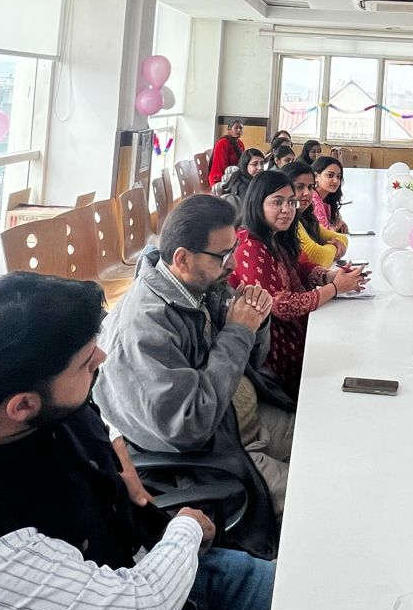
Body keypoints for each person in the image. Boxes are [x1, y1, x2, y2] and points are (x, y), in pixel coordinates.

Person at [0, 272, 275, 610]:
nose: (101, 359)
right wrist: (187, 528)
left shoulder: (5, 410)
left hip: (156, 567)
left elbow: (97, 422)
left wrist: (120, 461)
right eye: (85, 362)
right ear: (22, 405)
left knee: (305, 603)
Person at [95, 195, 297, 513]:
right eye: (222, 255)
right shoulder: (145, 330)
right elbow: (189, 426)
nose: (233, 264)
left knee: (328, 445)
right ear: (183, 258)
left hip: (242, 416)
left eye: (234, 249)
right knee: (316, 493)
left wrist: (256, 322)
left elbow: (249, 362)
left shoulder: (200, 285)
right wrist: (238, 331)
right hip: (214, 452)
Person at [229, 169, 367, 396]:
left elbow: (301, 267)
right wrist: (335, 289)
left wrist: (330, 276)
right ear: (257, 203)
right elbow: (282, 306)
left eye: (291, 202)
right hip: (275, 347)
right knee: (345, 359)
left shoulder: (277, 235)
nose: (287, 209)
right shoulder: (249, 247)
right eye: (277, 202)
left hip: (296, 329)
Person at [283, 159, 347, 268]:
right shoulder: (287, 218)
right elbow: (316, 257)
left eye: (310, 187)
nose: (307, 193)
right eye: (299, 187)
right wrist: (335, 247)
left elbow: (342, 238)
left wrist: (334, 244)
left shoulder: (304, 215)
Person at [310, 155, 349, 235]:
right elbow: (325, 233)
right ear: (316, 176)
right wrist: (337, 226)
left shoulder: (327, 198)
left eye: (338, 176)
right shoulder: (313, 198)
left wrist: (340, 224)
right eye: (330, 175)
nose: (336, 181)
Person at [208, 121, 245, 188]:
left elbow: (242, 161)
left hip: (233, 174)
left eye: (241, 128)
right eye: (236, 128)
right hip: (219, 178)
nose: (239, 130)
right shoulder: (222, 143)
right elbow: (222, 167)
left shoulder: (240, 144)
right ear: (229, 130)